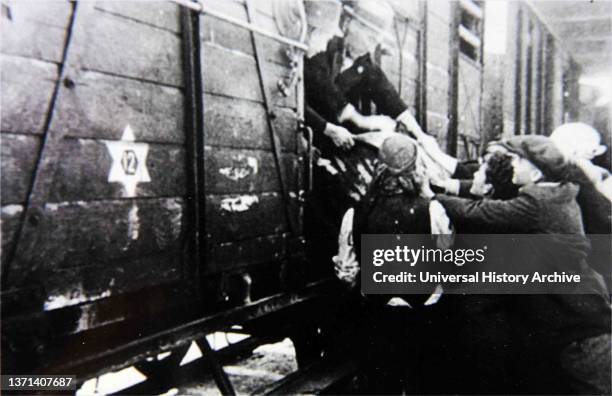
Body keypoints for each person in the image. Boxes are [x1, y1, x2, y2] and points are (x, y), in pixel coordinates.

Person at [435, 135, 612, 395]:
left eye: (518, 160)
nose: (514, 166)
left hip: (583, 333)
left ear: (536, 171)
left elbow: (479, 211)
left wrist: (432, 198)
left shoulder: (537, 203)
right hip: (582, 320)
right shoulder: (557, 192)